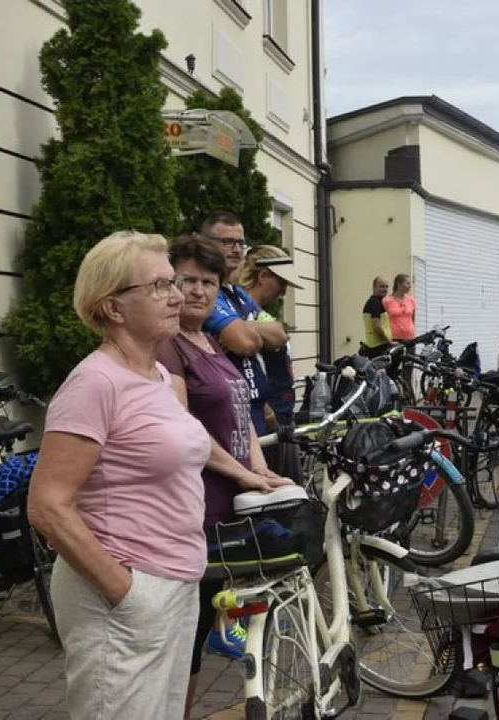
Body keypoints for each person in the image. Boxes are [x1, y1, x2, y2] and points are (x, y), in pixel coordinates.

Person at [27, 231, 209, 720]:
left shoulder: (159, 380)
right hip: (124, 599)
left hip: (176, 585)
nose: (178, 295)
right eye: (158, 286)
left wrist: (252, 473)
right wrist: (125, 593)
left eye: (173, 282)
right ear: (112, 308)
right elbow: (47, 504)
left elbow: (186, 448)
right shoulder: (94, 383)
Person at [156, 236, 292, 718]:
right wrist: (240, 472)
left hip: (230, 504)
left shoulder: (209, 341)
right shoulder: (168, 348)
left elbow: (240, 415)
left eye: (208, 282)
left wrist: (259, 468)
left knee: (201, 627)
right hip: (198, 507)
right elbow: (184, 426)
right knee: (184, 639)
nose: (196, 290)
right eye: (185, 280)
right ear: (167, 284)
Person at [199, 211, 287, 439]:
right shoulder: (208, 294)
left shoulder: (237, 294)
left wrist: (246, 327)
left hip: (253, 412)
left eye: (240, 242)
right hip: (225, 417)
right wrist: (250, 331)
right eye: (228, 242)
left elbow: (278, 335)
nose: (237, 249)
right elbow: (245, 343)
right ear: (205, 244)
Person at [235, 244, 306, 480]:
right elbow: (244, 371)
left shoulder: (258, 313)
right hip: (266, 425)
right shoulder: (241, 312)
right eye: (281, 283)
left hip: (281, 418)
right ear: (263, 275)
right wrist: (270, 417)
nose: (284, 292)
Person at [360, 276, 392, 357]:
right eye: (381, 286)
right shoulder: (375, 303)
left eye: (386, 287)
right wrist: (389, 342)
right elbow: (377, 327)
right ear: (374, 287)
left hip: (376, 345)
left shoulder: (376, 302)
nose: (384, 289)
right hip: (378, 347)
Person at [384, 273, 417, 342]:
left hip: (410, 338)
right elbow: (383, 321)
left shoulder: (411, 300)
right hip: (394, 338)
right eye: (407, 283)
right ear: (399, 284)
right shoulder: (387, 301)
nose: (410, 286)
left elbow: (413, 319)